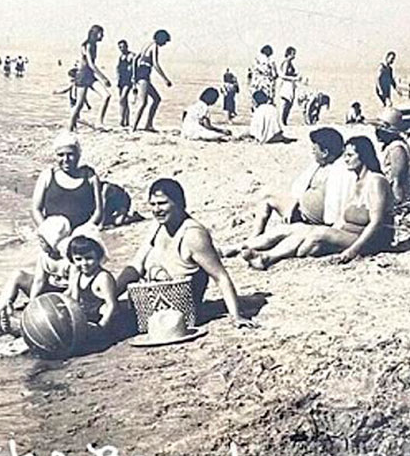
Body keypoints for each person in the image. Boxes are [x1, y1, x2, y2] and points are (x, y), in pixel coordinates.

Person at [236, 136, 395, 269]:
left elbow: (376, 223)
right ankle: (247, 246)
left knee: (318, 235)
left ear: (364, 156)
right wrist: (333, 231)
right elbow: (342, 217)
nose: (345, 160)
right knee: (300, 229)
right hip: (350, 234)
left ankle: (268, 257)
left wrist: (352, 251)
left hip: (374, 241)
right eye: (345, 155)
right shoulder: (357, 180)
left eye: (350, 155)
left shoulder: (376, 181)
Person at [117, 178, 255, 328]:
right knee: (103, 312)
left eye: (163, 203)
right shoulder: (157, 226)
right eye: (153, 204)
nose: (157, 210)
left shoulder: (193, 235)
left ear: (179, 204)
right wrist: (111, 295)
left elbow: (220, 276)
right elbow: (136, 266)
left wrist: (236, 316)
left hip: (178, 315)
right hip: (150, 303)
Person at [241, 126, 349, 240]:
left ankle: (256, 236)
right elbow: (300, 189)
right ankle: (256, 234)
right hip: (299, 211)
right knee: (266, 194)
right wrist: (293, 205)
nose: (312, 151)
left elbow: (337, 204)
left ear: (325, 153)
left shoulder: (340, 171)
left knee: (268, 198)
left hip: (311, 220)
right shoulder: (321, 165)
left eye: (315, 148)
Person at [0, 215, 73, 318]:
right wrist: (32, 302)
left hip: (65, 295)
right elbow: (39, 281)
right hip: (48, 289)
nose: (40, 243)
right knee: (18, 275)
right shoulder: (44, 256)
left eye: (42, 241)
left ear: (53, 243)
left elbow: (73, 288)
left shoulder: (68, 259)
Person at [31, 132, 103, 230]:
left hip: (82, 236)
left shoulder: (90, 177)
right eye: (61, 155)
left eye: (71, 154)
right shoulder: (47, 176)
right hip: (53, 235)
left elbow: (98, 211)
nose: (66, 159)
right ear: (55, 156)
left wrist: (82, 232)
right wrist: (47, 231)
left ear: (78, 154)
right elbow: (36, 209)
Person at [65, 234, 119, 340]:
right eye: (78, 259)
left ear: (98, 257)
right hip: (88, 318)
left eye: (89, 258)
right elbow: (74, 301)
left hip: (104, 320)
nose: (84, 263)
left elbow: (112, 305)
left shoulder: (103, 277)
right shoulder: (78, 276)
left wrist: (102, 326)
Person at [368, 108, 410, 206]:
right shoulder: (389, 146)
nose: (376, 132)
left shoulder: (397, 149)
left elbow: (397, 180)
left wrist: (397, 203)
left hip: (397, 195)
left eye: (380, 129)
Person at [69, 24, 112, 131]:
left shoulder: (94, 46)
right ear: (95, 34)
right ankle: (70, 128)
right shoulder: (87, 45)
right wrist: (103, 78)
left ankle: (99, 122)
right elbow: (91, 64)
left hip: (90, 76)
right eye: (101, 33)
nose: (103, 36)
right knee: (79, 104)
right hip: (83, 75)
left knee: (106, 95)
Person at [132, 29, 174, 132]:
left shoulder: (146, 44)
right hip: (144, 74)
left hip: (140, 73)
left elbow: (135, 59)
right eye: (164, 41)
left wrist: (133, 76)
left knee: (156, 99)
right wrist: (165, 79)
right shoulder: (154, 47)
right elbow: (155, 64)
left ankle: (148, 124)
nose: (164, 44)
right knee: (143, 102)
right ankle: (133, 127)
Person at [115, 39, 137, 127]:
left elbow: (135, 68)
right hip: (121, 79)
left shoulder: (132, 56)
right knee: (124, 101)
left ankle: (121, 120)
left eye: (123, 47)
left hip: (128, 79)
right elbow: (117, 68)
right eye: (120, 47)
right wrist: (117, 78)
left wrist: (134, 80)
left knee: (122, 98)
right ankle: (126, 121)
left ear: (126, 46)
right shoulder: (121, 57)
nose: (121, 48)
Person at [249, 45, 277, 110]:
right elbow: (274, 74)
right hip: (265, 83)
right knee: (266, 104)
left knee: (256, 104)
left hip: (256, 84)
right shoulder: (269, 60)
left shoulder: (256, 59)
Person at [278, 46, 300, 125]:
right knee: (286, 103)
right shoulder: (286, 62)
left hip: (290, 85)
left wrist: (295, 75)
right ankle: (282, 121)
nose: (294, 56)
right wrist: (294, 78)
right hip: (286, 85)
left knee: (289, 103)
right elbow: (283, 75)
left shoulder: (289, 63)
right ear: (289, 54)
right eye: (293, 54)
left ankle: (284, 121)